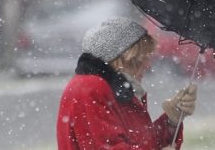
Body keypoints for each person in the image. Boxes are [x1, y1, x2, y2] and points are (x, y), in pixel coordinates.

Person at [57, 17, 197, 150]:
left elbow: (143, 142)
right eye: (142, 58)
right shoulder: (90, 87)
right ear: (123, 58)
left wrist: (172, 121)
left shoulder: (117, 89)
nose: (148, 65)